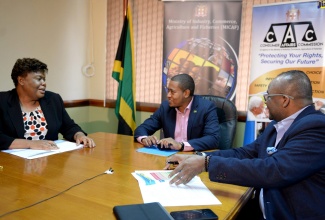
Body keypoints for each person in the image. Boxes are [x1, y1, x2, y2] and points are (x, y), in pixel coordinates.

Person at [165, 70, 325, 220]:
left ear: (284, 100)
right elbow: (245, 153)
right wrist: (198, 157)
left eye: (267, 96)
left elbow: (274, 170)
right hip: (260, 208)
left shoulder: (316, 127)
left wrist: (207, 164)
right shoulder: (276, 126)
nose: (265, 102)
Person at [0, 58, 95, 150]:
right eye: (39, 79)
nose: (44, 83)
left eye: (44, 79)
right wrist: (30, 144)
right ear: (21, 80)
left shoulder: (53, 99)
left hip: (50, 159)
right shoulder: (2, 101)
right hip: (13, 162)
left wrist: (79, 135)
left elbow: (69, 126)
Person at [134, 73, 220, 151]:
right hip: (169, 158)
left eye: (172, 92)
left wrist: (181, 145)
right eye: (168, 91)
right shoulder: (166, 107)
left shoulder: (206, 108)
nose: (168, 95)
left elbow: (212, 139)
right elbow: (142, 129)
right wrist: (144, 138)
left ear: (186, 93)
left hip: (194, 158)